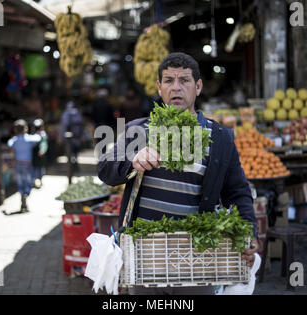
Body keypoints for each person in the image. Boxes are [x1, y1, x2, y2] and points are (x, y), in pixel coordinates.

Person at [97, 52, 259, 295]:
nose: (176, 88)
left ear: (198, 86)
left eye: (184, 80)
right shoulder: (138, 131)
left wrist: (249, 233)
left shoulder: (220, 138)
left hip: (198, 260)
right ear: (159, 88)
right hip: (144, 259)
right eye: (169, 81)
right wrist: (133, 161)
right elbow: (105, 172)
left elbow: (238, 193)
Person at [7, 119, 41, 212]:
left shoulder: (14, 140)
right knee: (29, 182)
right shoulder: (29, 138)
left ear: (15, 130)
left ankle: (23, 195)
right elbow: (38, 138)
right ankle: (25, 195)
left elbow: (9, 144)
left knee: (20, 183)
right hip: (27, 165)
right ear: (25, 129)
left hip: (17, 164)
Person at [60, 101, 84, 168]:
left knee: (69, 150)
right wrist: (82, 135)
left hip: (68, 136)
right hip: (77, 135)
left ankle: (71, 165)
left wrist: (61, 137)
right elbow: (81, 125)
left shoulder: (65, 113)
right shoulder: (78, 113)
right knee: (76, 150)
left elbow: (63, 125)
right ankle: (75, 161)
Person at [31, 118, 48, 189]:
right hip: (35, 155)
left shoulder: (43, 135)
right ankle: (35, 181)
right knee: (36, 168)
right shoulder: (33, 135)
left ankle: (39, 180)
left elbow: (44, 144)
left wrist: (42, 150)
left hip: (39, 155)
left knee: (40, 168)